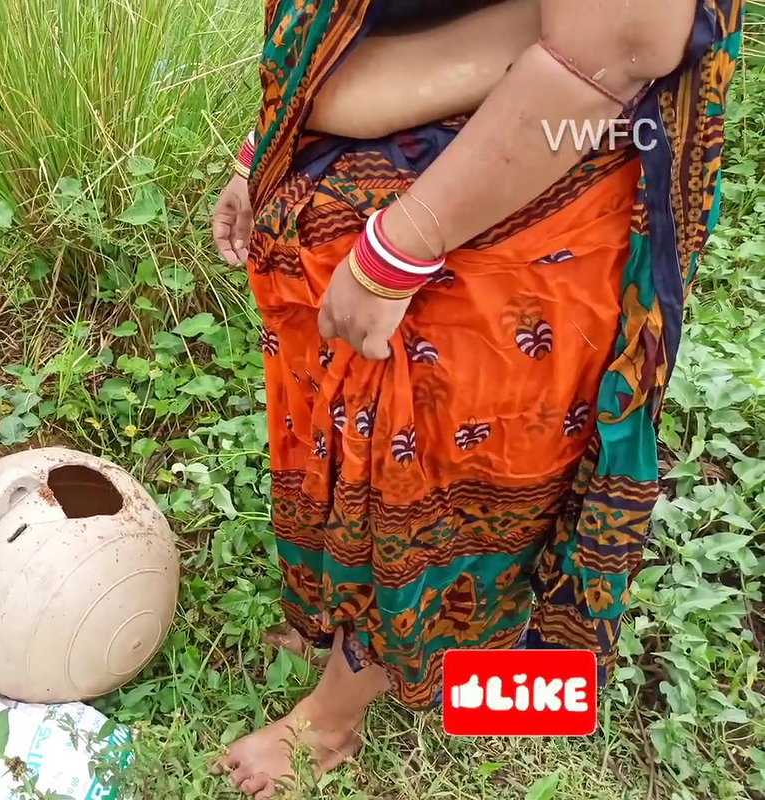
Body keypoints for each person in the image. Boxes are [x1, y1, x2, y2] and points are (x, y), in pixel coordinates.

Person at [208, 0, 741, 796]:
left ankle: (337, 716)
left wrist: (403, 245)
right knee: (357, 451)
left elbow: (618, 44)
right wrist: (272, 146)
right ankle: (342, 621)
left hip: (498, 211)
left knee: (428, 482)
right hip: (406, 200)